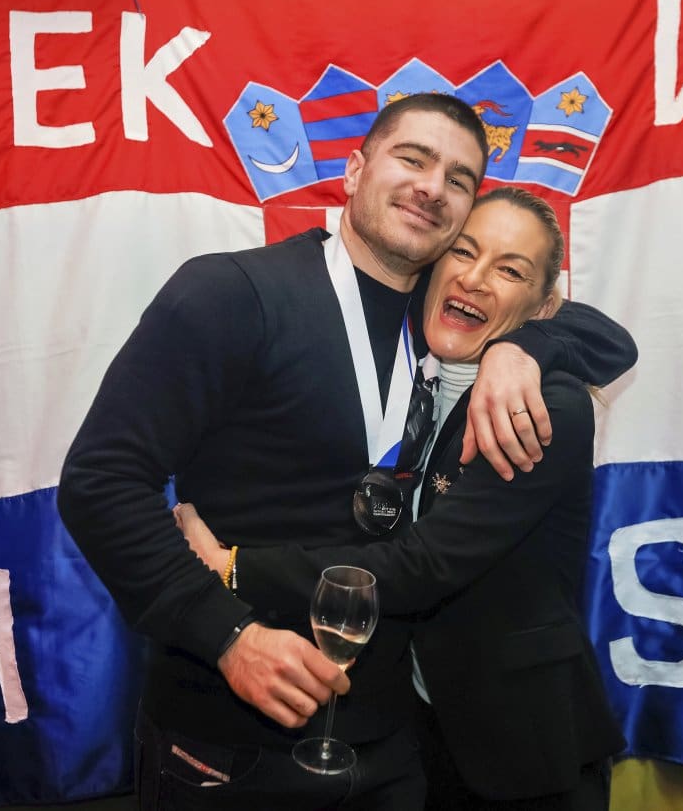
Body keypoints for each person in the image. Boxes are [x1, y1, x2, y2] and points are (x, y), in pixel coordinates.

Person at [57, 94, 636, 810]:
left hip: (395, 747)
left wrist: (526, 347)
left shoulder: (449, 319)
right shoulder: (230, 293)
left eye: (458, 179)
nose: (432, 186)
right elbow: (100, 481)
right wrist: (228, 634)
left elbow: (598, 332)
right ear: (355, 170)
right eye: (412, 158)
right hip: (231, 738)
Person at [177, 187, 626, 810]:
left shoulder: (544, 407)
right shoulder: (413, 356)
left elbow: (422, 566)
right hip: (417, 732)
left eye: (510, 270)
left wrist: (231, 566)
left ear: (544, 305)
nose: (475, 278)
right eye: (463, 251)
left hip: (520, 745)